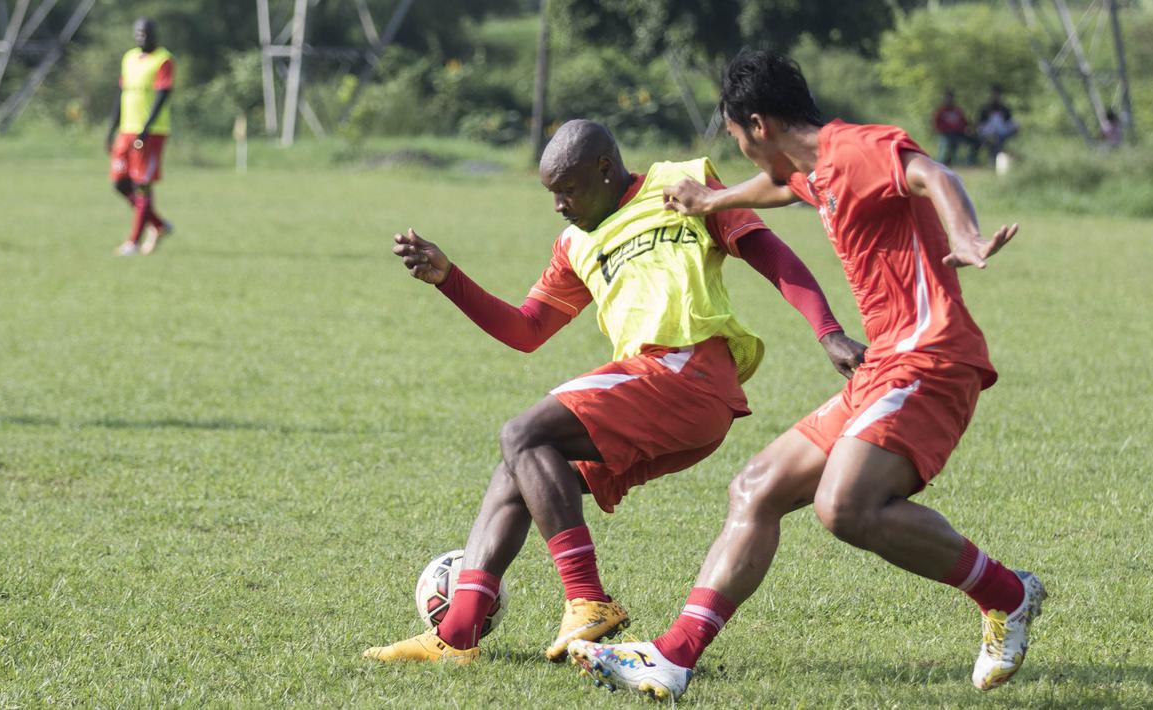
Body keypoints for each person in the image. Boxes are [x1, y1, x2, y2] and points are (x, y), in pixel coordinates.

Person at [568, 51, 1043, 700]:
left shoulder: (852, 149)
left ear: (757, 125)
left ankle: (1006, 594)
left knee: (843, 507)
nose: (738, 150)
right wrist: (715, 198)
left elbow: (930, 172)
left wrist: (963, 237)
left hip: (931, 357)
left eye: (735, 139)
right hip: (886, 364)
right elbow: (785, 186)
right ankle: (672, 658)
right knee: (756, 487)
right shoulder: (817, 169)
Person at [363, 119, 865, 665]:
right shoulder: (574, 243)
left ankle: (586, 598)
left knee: (522, 434)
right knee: (518, 468)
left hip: (688, 369)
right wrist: (449, 279)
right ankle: (457, 636)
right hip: (663, 396)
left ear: (605, 168)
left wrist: (828, 331)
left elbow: (770, 252)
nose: (559, 205)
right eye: (551, 194)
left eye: (568, 190)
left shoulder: (681, 184)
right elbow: (526, 330)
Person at [106, 17, 174, 256]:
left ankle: (133, 242)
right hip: (126, 130)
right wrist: (111, 128)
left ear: (155, 34)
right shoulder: (129, 58)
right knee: (120, 182)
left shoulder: (163, 59)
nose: (141, 37)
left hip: (151, 133)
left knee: (142, 185)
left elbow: (163, 94)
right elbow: (121, 94)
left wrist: (146, 127)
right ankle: (158, 224)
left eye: (146, 32)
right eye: (138, 33)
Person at [932, 89, 976, 166]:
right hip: (945, 135)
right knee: (946, 144)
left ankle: (968, 162)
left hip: (958, 134)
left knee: (972, 141)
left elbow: (965, 123)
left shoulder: (958, 111)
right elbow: (936, 124)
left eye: (951, 98)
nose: (949, 100)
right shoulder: (941, 111)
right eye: (947, 98)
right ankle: (940, 162)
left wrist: (967, 129)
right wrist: (944, 130)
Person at [977, 85, 1018, 161]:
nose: (996, 96)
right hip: (987, 134)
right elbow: (980, 125)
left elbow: (1010, 123)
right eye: (994, 94)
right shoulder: (985, 109)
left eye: (998, 94)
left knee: (998, 139)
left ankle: (998, 160)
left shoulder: (1005, 109)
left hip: (1002, 133)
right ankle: (992, 159)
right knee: (993, 140)